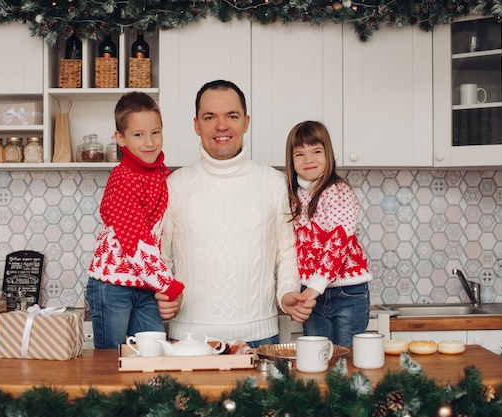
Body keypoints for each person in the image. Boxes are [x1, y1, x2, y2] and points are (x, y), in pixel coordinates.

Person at [155, 80, 314, 348]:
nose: (221, 126)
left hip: (260, 337)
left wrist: (287, 292)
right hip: (190, 339)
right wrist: (165, 292)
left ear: (246, 122)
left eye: (232, 116)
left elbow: (287, 252)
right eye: (209, 117)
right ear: (196, 125)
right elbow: (160, 256)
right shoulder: (174, 185)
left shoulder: (273, 182)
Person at [86, 92, 185, 349]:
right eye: (138, 134)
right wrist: (168, 284)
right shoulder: (123, 178)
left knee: (152, 355)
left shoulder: (163, 176)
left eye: (156, 132)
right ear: (121, 138)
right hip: (112, 285)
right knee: (112, 361)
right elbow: (136, 240)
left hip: (145, 285)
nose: (150, 142)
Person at [285, 120, 372, 347]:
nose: (309, 159)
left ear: (328, 154)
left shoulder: (338, 191)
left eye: (316, 151)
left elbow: (339, 241)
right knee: (316, 359)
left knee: (348, 361)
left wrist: (315, 286)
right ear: (291, 161)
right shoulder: (293, 196)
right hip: (310, 292)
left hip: (348, 292)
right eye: (299, 154)